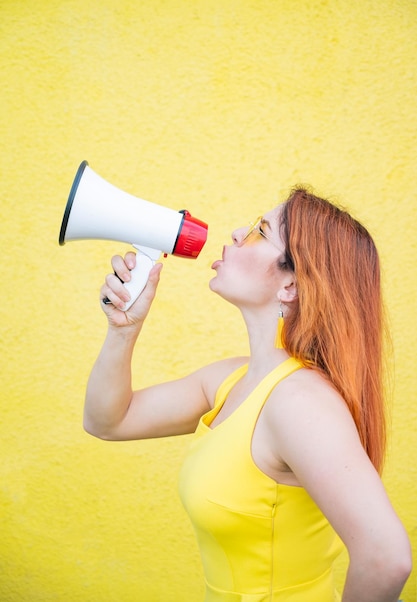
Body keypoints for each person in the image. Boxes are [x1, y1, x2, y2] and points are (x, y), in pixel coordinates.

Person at [84, 187, 412, 601]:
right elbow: (108, 421)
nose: (238, 233)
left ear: (291, 285)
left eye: (260, 230)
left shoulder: (300, 403)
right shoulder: (231, 380)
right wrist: (123, 329)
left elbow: (387, 556)